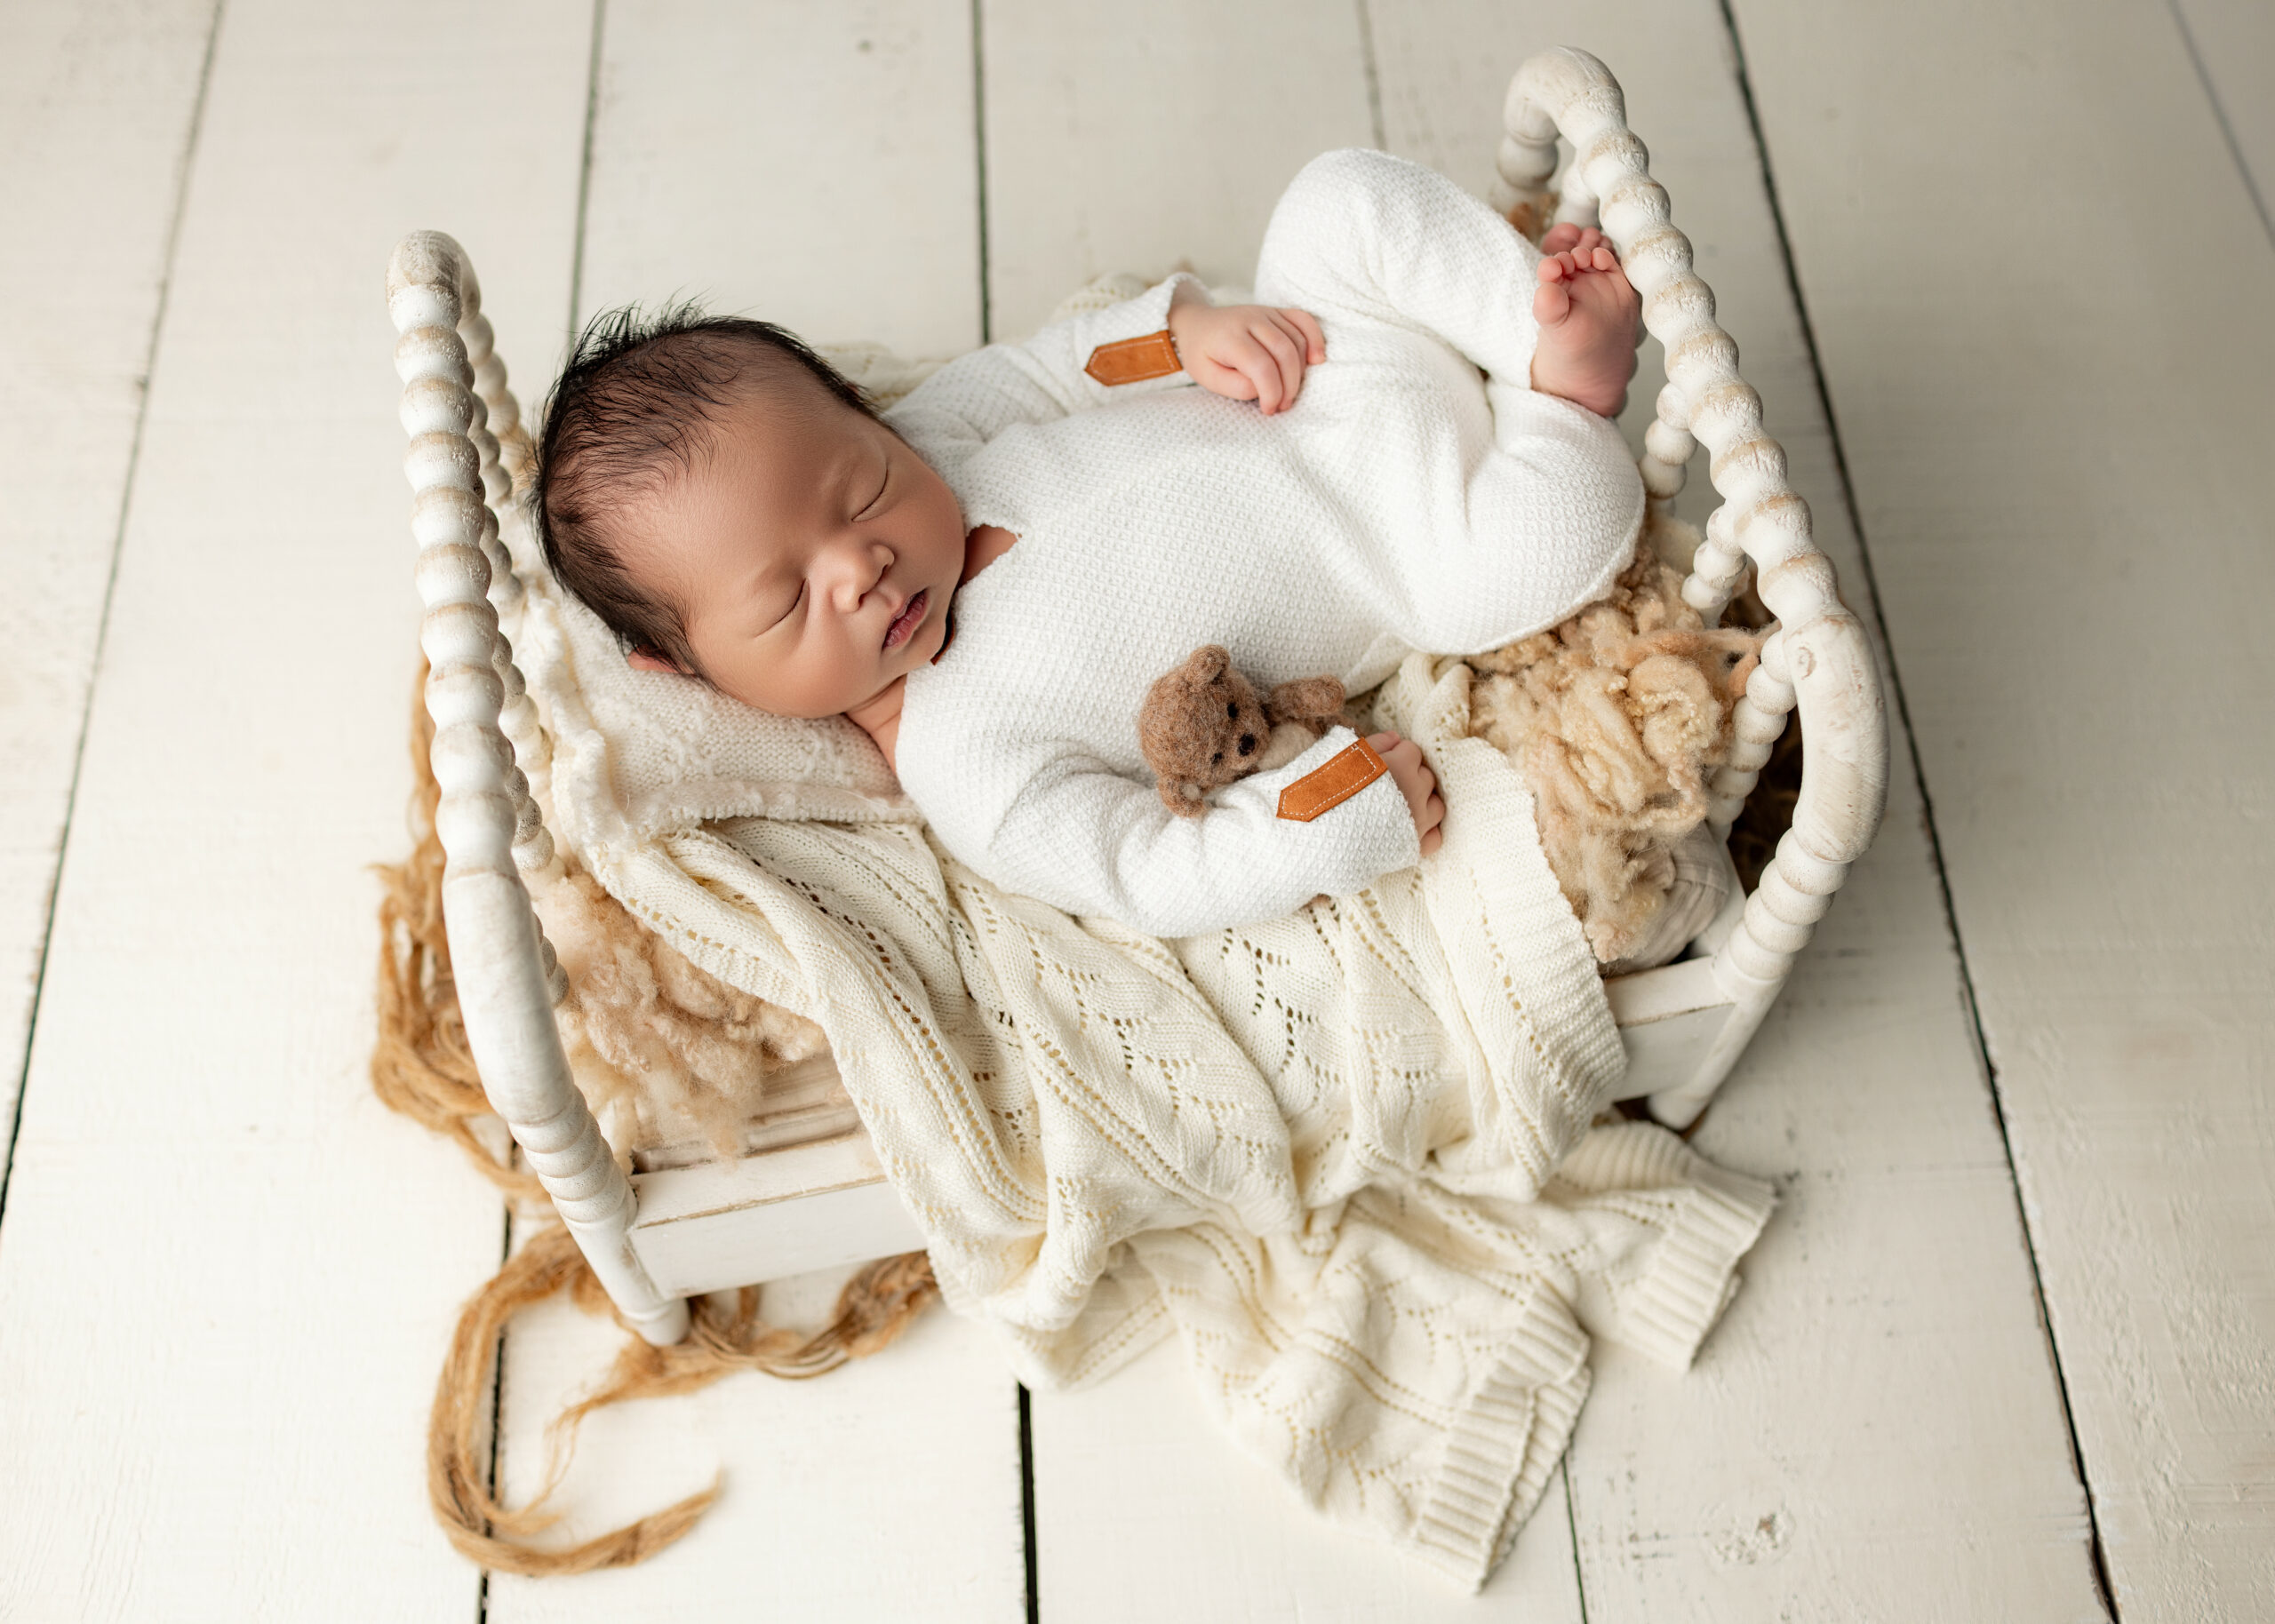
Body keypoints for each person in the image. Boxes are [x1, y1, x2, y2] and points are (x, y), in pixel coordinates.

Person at [533, 147, 1644, 936]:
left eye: (861, 486)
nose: (859, 565)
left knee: (1335, 200)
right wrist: (1327, 819)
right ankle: (1560, 394)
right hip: (1410, 539)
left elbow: (1057, 365)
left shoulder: (935, 434)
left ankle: (1522, 319)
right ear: (688, 669)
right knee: (1561, 530)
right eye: (785, 603)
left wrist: (1184, 333)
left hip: (1322, 368)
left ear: (865, 416)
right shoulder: (971, 770)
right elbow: (1147, 870)